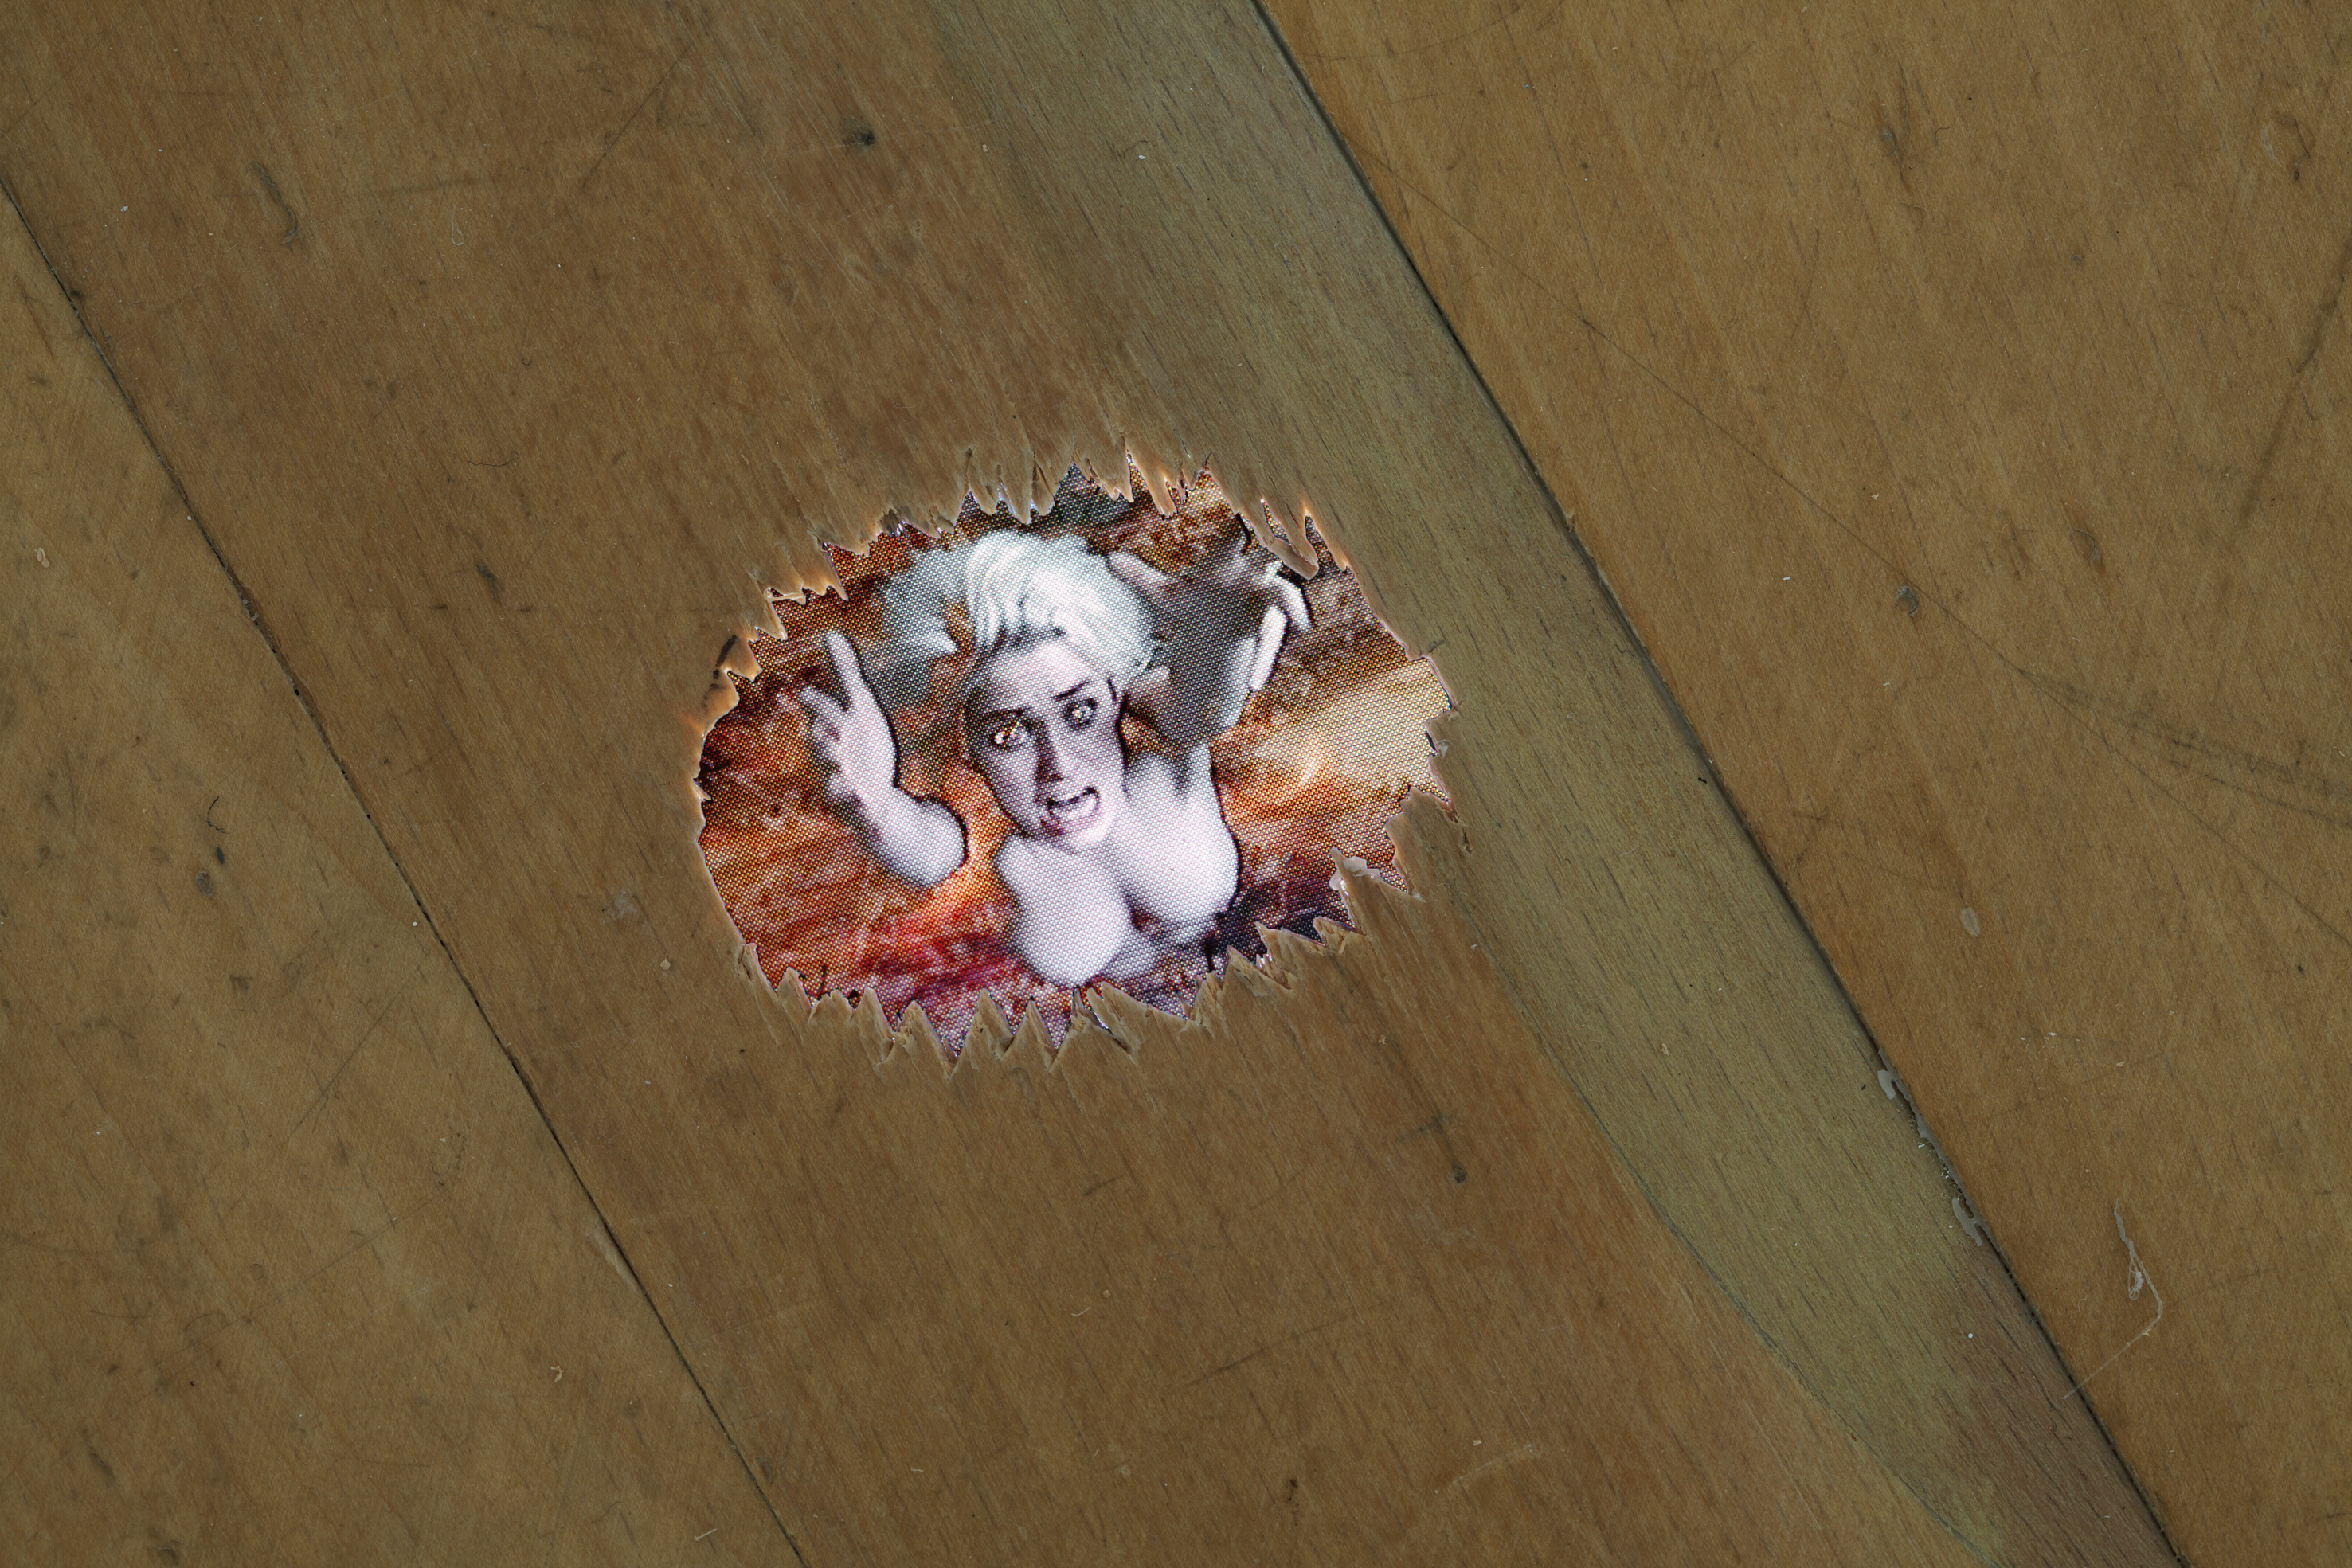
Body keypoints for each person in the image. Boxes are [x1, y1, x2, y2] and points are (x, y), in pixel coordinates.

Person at [797, 528, 1307, 987]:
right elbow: (931, 854)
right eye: (1008, 734)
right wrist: (876, 806)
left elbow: (1199, 709)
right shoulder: (987, 840)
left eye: (1081, 712)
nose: (1059, 766)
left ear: (1117, 693)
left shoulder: (1160, 758)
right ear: (964, 744)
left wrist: (1225, 635)